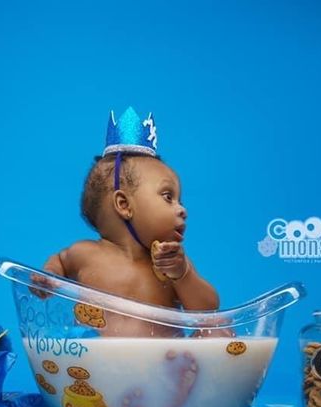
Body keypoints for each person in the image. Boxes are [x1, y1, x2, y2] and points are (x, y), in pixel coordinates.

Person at [36, 108, 219, 336]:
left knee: (216, 333)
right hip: (96, 365)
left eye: (180, 200)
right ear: (124, 205)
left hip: (160, 366)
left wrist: (183, 275)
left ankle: (185, 367)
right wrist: (49, 277)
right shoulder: (85, 254)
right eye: (168, 197)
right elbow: (59, 262)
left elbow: (208, 311)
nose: (182, 210)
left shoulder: (170, 265)